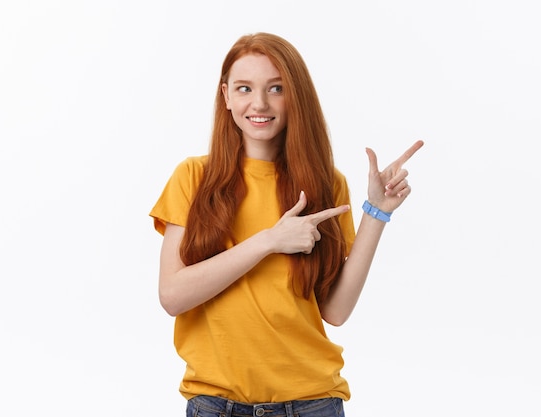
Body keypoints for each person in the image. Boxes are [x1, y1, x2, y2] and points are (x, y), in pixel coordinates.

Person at [149, 32, 424, 417]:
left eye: (276, 88)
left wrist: (376, 212)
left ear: (295, 96)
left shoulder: (325, 183)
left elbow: (336, 311)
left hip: (311, 403)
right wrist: (269, 241)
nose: (259, 103)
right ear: (226, 95)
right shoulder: (194, 177)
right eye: (245, 88)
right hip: (216, 405)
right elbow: (172, 296)